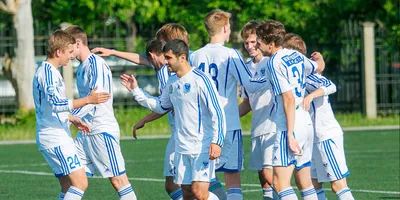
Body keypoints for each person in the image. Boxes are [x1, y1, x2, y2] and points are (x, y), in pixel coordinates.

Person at [92, 23, 190, 200]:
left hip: (186, 132)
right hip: (178, 132)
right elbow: (141, 58)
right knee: (173, 185)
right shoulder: (163, 67)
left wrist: (142, 107)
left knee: (192, 187)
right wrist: (113, 52)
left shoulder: (175, 71)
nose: (158, 45)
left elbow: (165, 106)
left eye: (161, 42)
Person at [121, 39, 225, 200]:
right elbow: (161, 106)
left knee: (200, 193)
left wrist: (217, 141)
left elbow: (217, 112)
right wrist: (136, 91)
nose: (165, 62)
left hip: (201, 146)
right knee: (187, 193)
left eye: (169, 58)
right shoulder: (172, 81)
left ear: (182, 57)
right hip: (182, 146)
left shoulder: (201, 80)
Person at [190, 9, 267, 200]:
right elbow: (249, 84)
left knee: (204, 180)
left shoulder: (195, 56)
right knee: (232, 180)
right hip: (228, 125)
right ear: (225, 27)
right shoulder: (231, 54)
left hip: (202, 126)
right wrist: (273, 76)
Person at [33, 30, 110, 200]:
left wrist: (72, 118)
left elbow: (49, 107)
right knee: (80, 183)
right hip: (54, 137)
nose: (71, 56)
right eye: (68, 52)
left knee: (68, 185)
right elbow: (57, 103)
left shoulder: (50, 71)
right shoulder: (47, 73)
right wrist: (88, 100)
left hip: (54, 134)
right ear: (58, 52)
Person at [64, 26, 137, 200]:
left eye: (68, 46)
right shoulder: (82, 68)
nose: (67, 52)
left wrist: (68, 118)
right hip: (85, 133)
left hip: (100, 131)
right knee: (73, 181)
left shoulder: (96, 64)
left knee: (119, 181)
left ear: (78, 43)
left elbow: (96, 98)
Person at [256, 20, 325, 200]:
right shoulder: (296, 55)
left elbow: (287, 99)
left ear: (270, 44)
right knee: (304, 181)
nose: (257, 45)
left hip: (289, 123)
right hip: (305, 121)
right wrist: (321, 59)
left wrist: (289, 134)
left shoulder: (273, 63)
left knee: (280, 184)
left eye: (259, 42)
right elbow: (318, 68)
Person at [283, 33, 355, 200]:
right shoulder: (295, 77)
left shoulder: (308, 77)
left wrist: (311, 96)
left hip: (325, 135)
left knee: (338, 185)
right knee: (313, 184)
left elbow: (330, 85)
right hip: (311, 137)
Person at [237, 20, 278, 200]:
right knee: (263, 178)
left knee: (272, 175)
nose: (250, 46)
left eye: (253, 42)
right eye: (246, 42)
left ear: (261, 40)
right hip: (257, 126)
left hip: (274, 125)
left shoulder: (272, 62)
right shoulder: (245, 68)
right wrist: (226, 118)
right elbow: (247, 102)